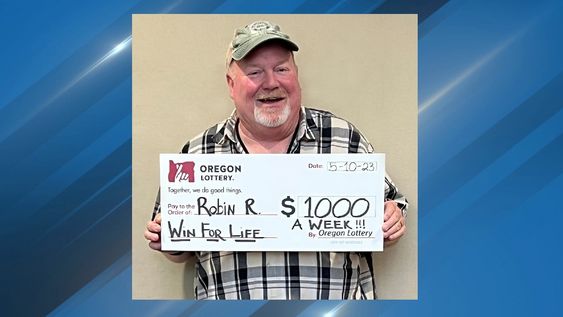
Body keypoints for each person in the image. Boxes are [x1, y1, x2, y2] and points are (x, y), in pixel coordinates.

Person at [144, 20, 408, 300]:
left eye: (281, 69)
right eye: (255, 72)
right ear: (231, 85)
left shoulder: (343, 137)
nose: (271, 83)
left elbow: (393, 208)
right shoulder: (197, 153)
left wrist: (392, 219)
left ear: (296, 75)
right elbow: (177, 248)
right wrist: (168, 239)